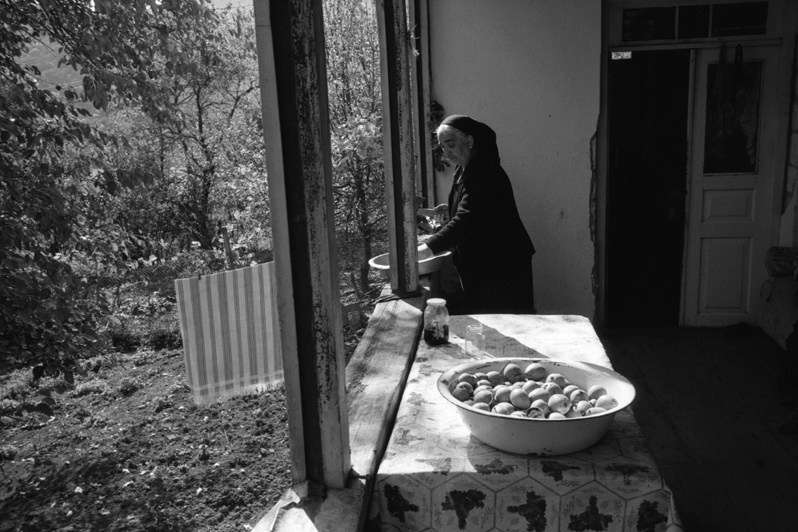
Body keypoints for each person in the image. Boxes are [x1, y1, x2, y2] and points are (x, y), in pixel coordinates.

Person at [418, 114, 535, 314]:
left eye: (450, 145)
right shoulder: (464, 169)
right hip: (485, 263)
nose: (446, 153)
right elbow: (474, 209)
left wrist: (427, 248)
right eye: (443, 147)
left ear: (470, 142)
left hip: (502, 265)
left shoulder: (484, 171)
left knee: (505, 322)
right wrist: (450, 209)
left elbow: (467, 219)